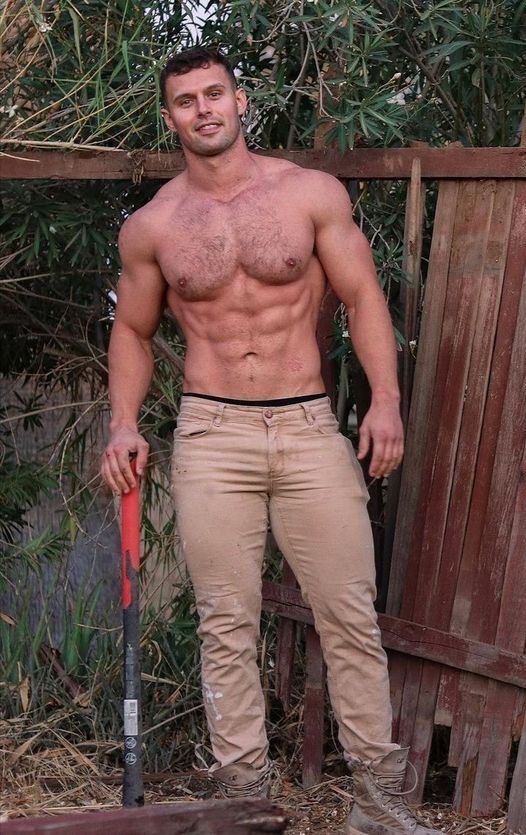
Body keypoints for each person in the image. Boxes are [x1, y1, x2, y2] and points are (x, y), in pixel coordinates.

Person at [101, 47, 441, 835]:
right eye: (186, 101)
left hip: (306, 426)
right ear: (169, 117)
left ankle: (379, 803)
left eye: (214, 93)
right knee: (225, 620)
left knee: (348, 613)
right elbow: (133, 331)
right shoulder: (153, 226)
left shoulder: (308, 194)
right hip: (212, 433)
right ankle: (244, 806)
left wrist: (385, 403)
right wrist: (122, 420)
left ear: (241, 100)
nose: (203, 109)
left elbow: (363, 297)